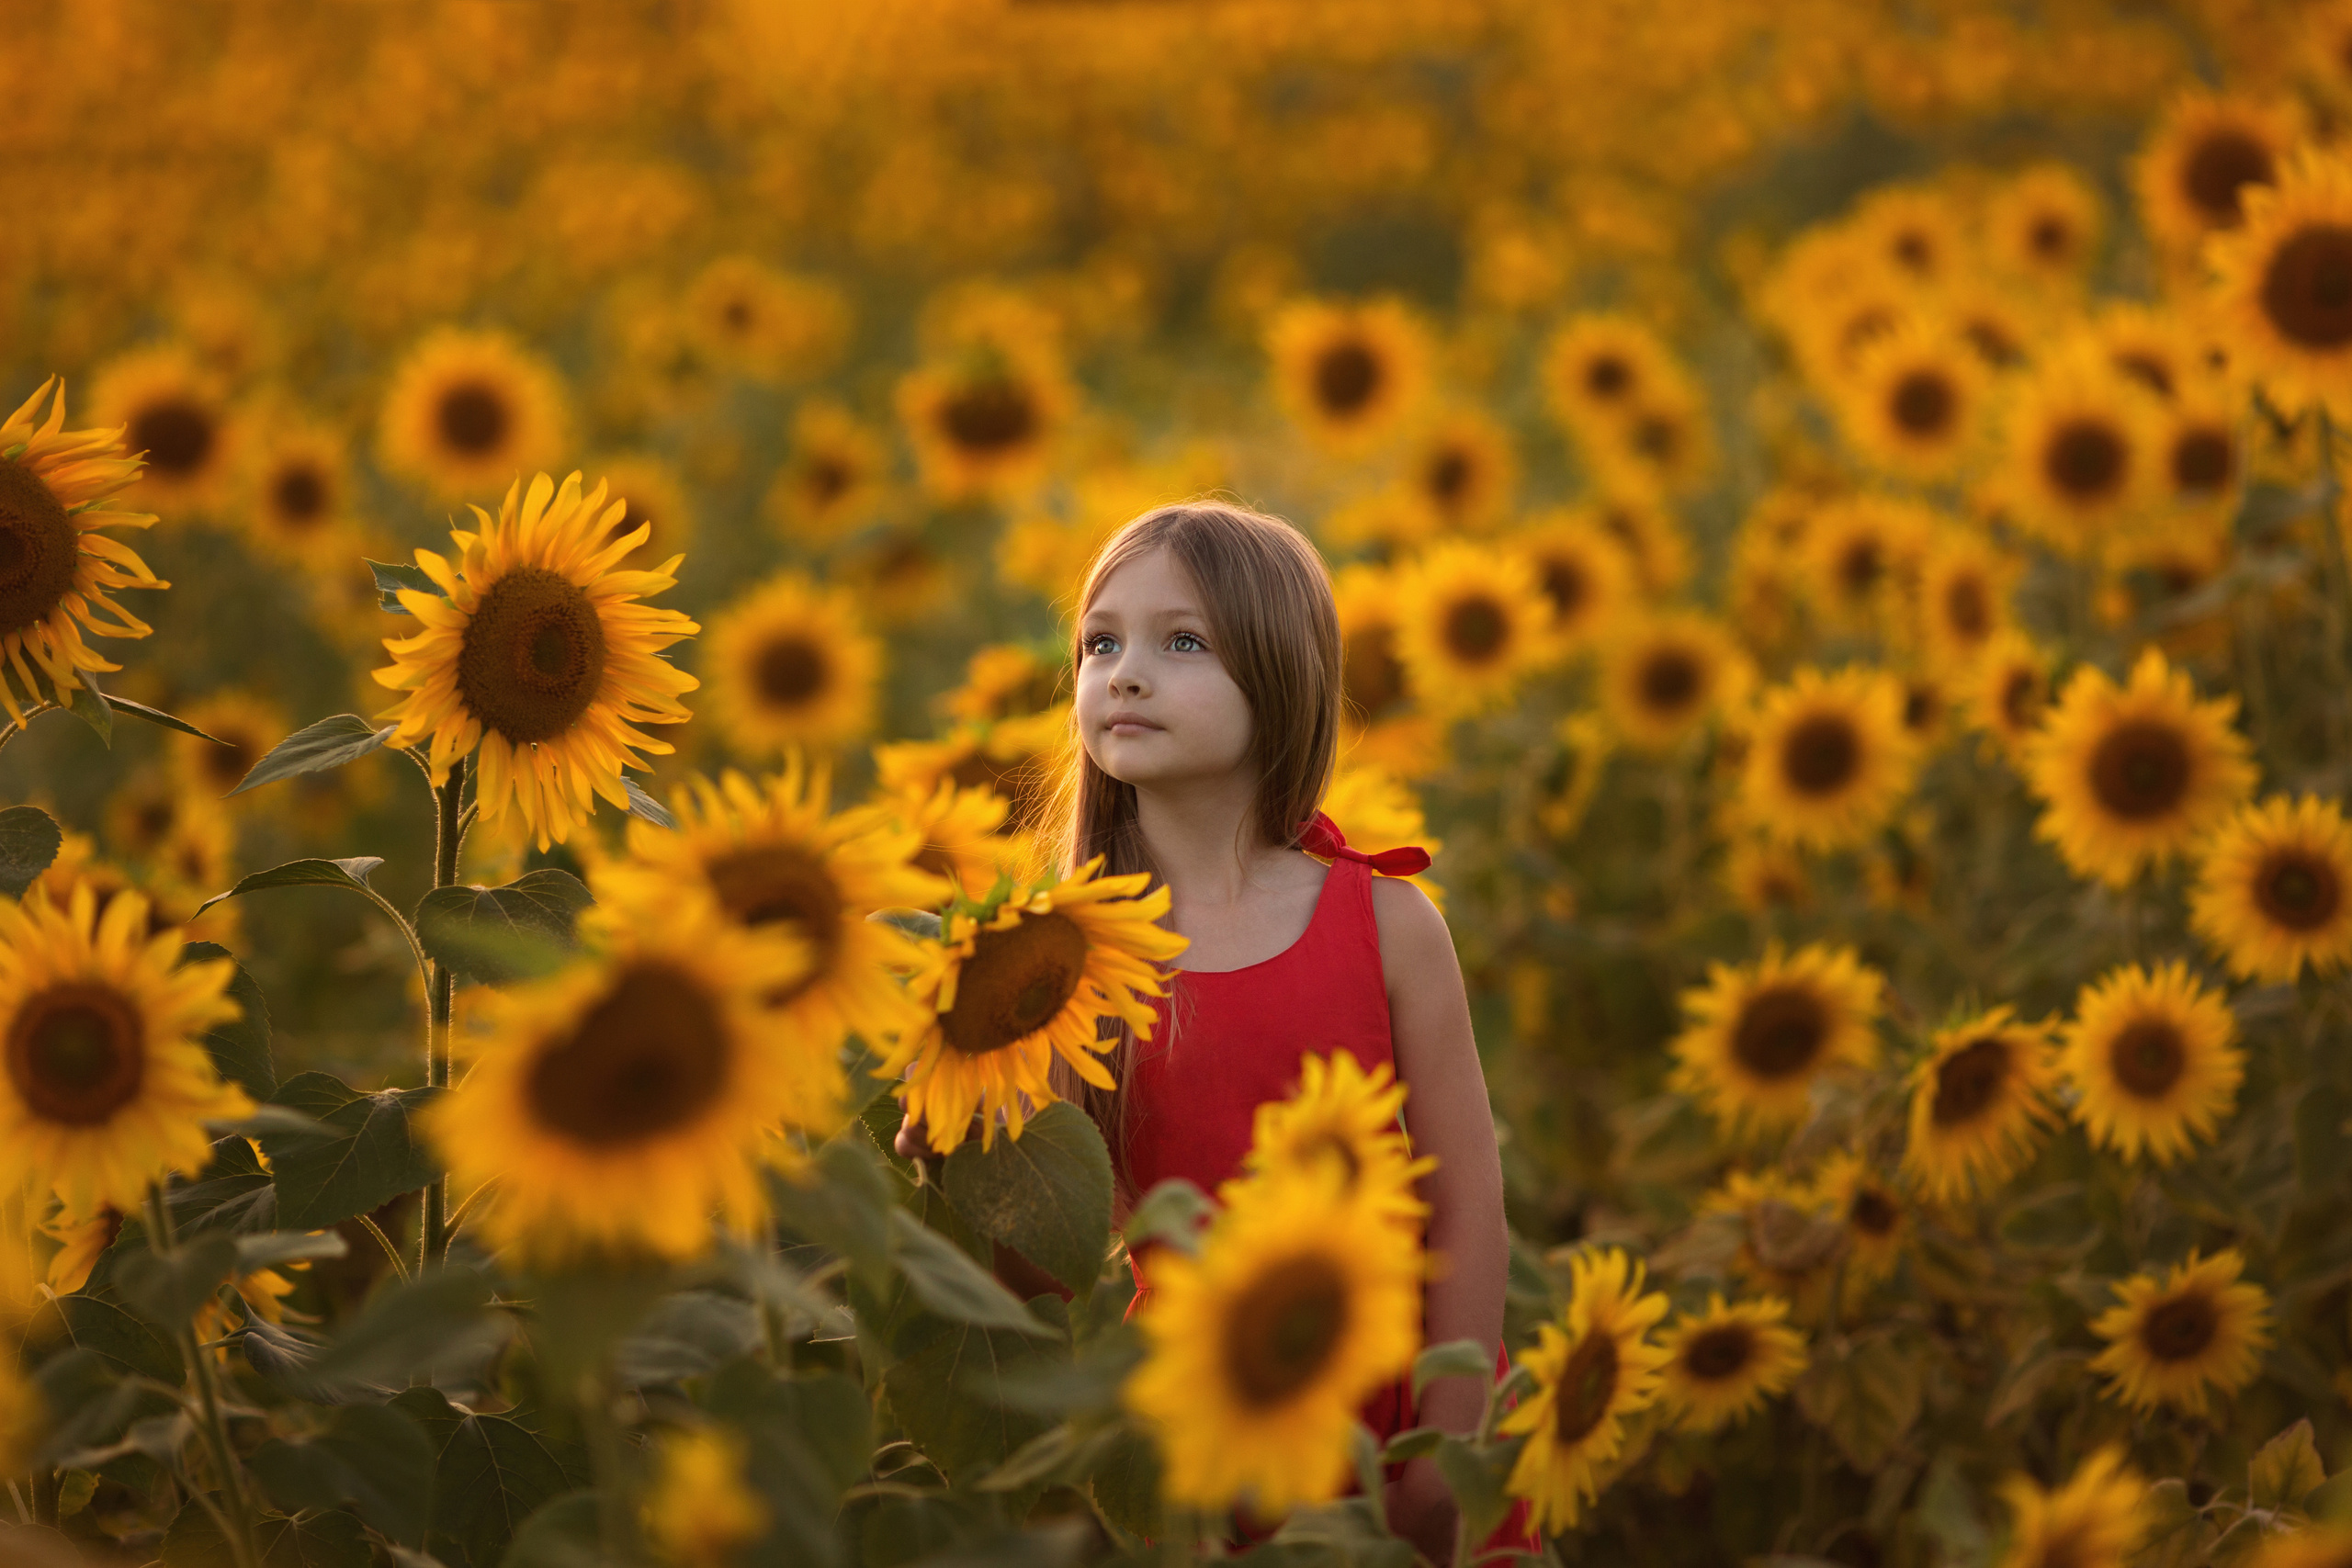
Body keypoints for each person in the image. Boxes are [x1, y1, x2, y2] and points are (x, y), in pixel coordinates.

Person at [900, 500, 1526, 1562]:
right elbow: (1047, 1265)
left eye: (1180, 641)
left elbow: (1466, 1200)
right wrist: (957, 1162)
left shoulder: (1386, 924)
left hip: (1396, 1407)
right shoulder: (1061, 966)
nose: (1124, 672)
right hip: (1194, 1436)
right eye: (1101, 643)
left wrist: (1446, 1443)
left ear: (1278, 678)